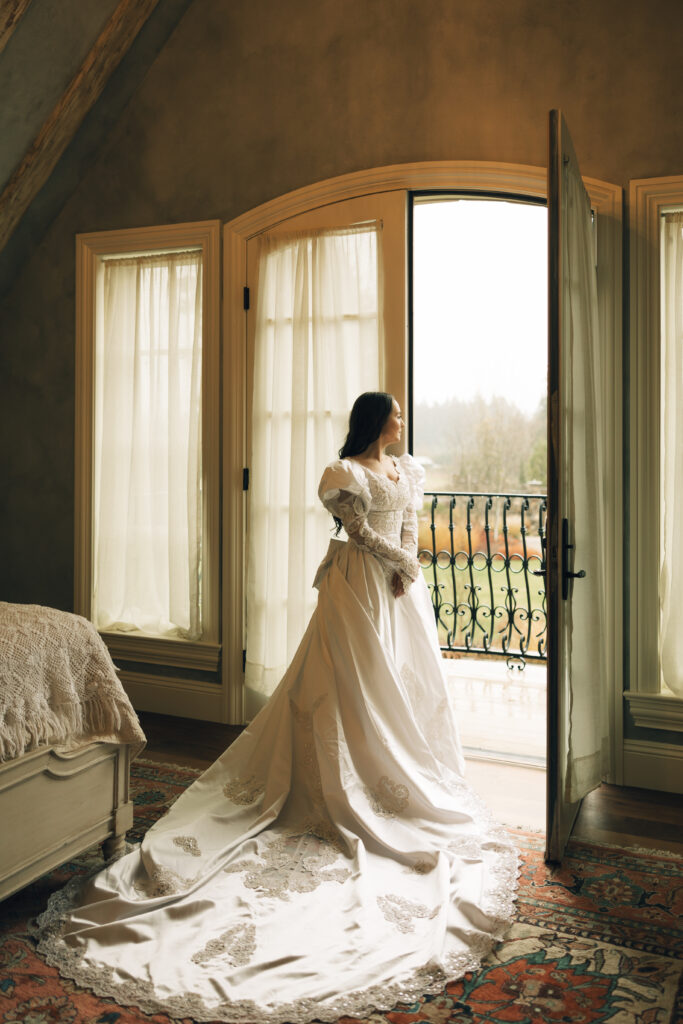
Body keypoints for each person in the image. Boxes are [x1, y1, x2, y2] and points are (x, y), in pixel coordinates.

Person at [35, 392, 518, 1024]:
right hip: (355, 584)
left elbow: (406, 529)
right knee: (348, 684)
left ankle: (401, 774)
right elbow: (361, 532)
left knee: (402, 687)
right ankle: (340, 776)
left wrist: (410, 565)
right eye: (395, 415)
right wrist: (397, 559)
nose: (402, 422)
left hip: (396, 591)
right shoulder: (346, 474)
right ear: (376, 421)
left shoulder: (409, 470)